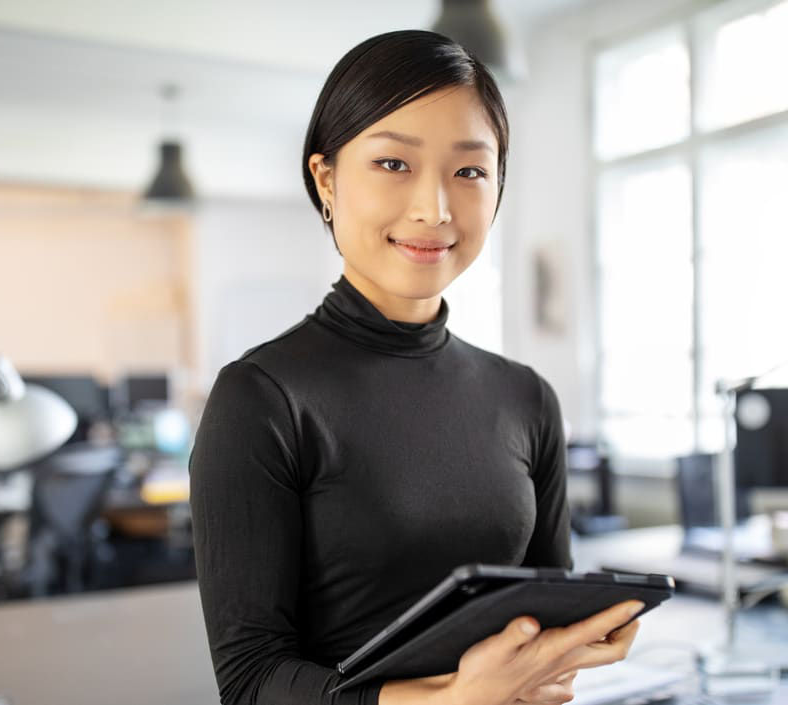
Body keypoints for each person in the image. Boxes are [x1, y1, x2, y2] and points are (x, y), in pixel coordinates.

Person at [188, 29, 643, 705]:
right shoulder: (262, 399)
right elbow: (253, 682)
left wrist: (568, 647)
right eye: (394, 165)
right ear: (326, 180)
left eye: (469, 171)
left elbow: (539, 621)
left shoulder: (527, 398)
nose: (434, 207)